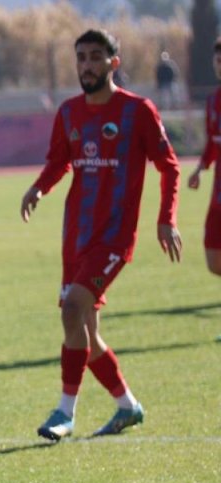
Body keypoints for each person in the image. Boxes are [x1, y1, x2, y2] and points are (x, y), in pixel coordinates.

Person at [20, 29, 181, 441]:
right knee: (84, 332)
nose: (87, 65)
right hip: (75, 236)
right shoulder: (70, 113)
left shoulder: (137, 111)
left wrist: (167, 218)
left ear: (114, 61)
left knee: (72, 310)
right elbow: (59, 162)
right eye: (81, 58)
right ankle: (128, 406)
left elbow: (169, 165)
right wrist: (39, 187)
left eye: (96, 56)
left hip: (113, 237)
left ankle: (64, 412)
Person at [185, 37, 221, 293]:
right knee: (213, 258)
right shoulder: (212, 101)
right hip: (218, 190)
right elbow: (212, 142)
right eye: (219, 60)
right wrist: (201, 167)